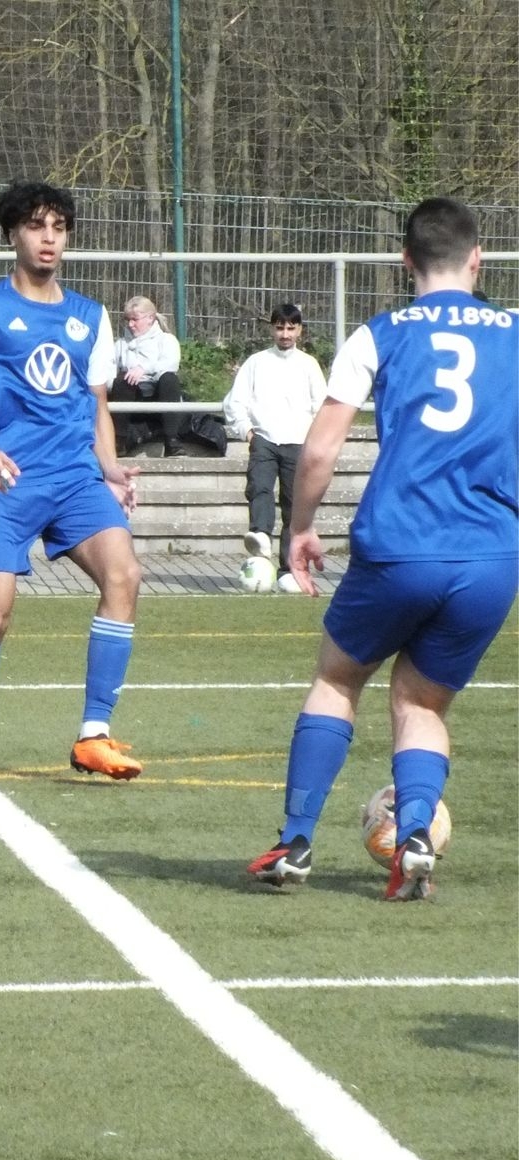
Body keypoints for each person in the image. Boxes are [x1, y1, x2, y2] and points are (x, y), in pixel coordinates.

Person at [247, 197, 517, 901]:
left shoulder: (380, 334)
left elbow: (319, 450)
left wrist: (299, 530)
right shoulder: (515, 332)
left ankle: (295, 840)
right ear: (478, 258)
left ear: (405, 261)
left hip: (402, 543)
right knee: (422, 703)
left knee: (338, 679)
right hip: (491, 554)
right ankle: (415, 837)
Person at [0, 181, 145, 784]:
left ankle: (93, 735)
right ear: (12, 234)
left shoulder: (90, 316)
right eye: (35, 226)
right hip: (7, 481)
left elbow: (96, 404)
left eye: (58, 227)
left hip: (75, 478)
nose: (49, 238)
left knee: (124, 574)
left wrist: (110, 466)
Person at [220, 303, 327, 592]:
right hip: (264, 440)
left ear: (300, 330)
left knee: (294, 506)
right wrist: (247, 432)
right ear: (272, 329)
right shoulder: (256, 362)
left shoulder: (308, 365)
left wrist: (314, 439)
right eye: (280, 328)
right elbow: (235, 401)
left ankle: (289, 569)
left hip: (298, 443)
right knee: (259, 487)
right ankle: (260, 535)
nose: (285, 334)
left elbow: (321, 406)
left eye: (291, 328)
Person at [110, 295, 186, 456]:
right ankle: (119, 441)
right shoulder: (120, 345)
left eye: (135, 319)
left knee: (169, 379)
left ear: (150, 318)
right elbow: (109, 371)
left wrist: (143, 369)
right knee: (122, 380)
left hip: (159, 399)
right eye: (127, 320)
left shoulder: (167, 340)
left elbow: (170, 364)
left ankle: (172, 440)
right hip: (131, 400)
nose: (130, 324)